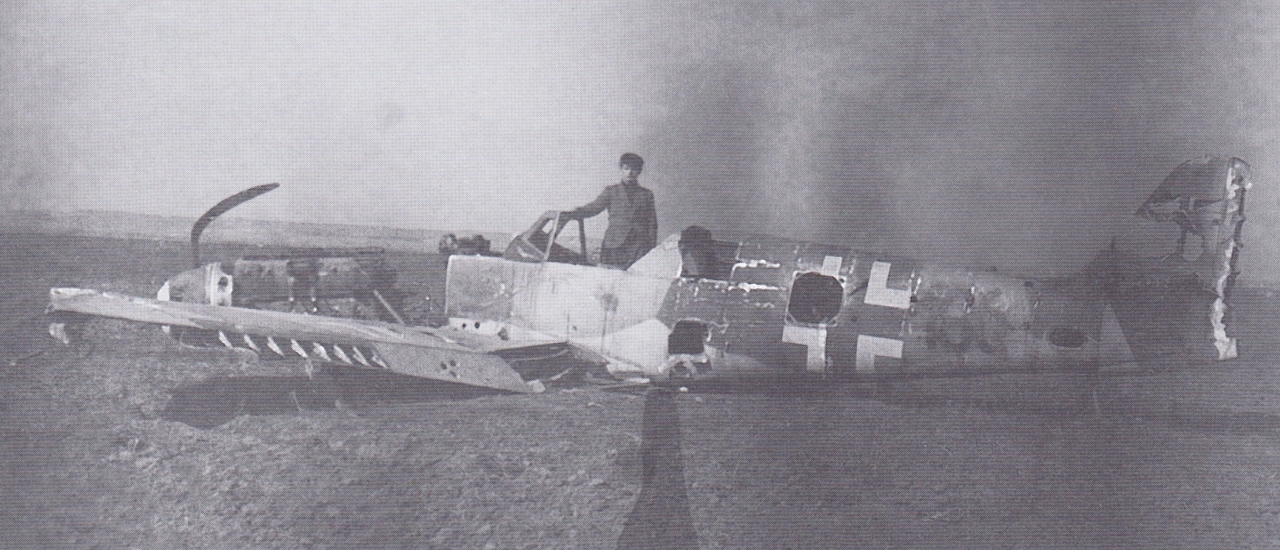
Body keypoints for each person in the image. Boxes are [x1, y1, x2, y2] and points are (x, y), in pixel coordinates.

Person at [565, 153, 657, 269]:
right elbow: (594, 208)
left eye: (634, 169)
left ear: (639, 171)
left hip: (637, 246)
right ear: (621, 169)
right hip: (613, 245)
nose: (629, 173)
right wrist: (576, 212)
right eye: (626, 168)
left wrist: (650, 248)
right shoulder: (611, 191)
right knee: (608, 276)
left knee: (635, 277)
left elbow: (652, 223)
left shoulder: (646, 195)